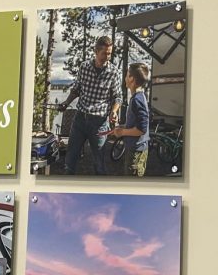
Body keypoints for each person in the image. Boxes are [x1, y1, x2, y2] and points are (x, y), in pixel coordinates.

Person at [61, 34, 121, 175]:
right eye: (104, 53)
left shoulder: (113, 72)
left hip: (99, 123)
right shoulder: (84, 67)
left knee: (99, 164)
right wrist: (66, 102)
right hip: (80, 119)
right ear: (96, 51)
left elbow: (118, 97)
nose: (108, 57)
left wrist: (114, 111)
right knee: (70, 160)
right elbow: (76, 89)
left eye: (110, 54)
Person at [104, 62, 151, 176]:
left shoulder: (137, 100)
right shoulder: (138, 97)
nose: (124, 78)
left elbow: (141, 129)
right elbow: (136, 124)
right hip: (135, 149)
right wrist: (122, 127)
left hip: (136, 152)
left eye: (126, 75)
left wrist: (122, 132)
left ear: (132, 79)